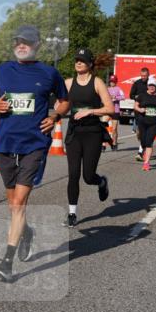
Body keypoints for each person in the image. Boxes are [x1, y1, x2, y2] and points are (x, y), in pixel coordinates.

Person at [0, 25, 69, 283]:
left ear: (37, 45)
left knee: (19, 203)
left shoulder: (49, 73)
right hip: (6, 144)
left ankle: (6, 263)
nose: (21, 45)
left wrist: (55, 116)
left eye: (26, 42)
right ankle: (27, 233)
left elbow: (64, 101)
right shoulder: (3, 70)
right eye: (17, 42)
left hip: (35, 143)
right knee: (13, 206)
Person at [63, 50, 114, 226]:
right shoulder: (68, 83)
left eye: (82, 60)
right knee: (73, 174)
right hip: (74, 133)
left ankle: (101, 182)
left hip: (93, 133)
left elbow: (110, 108)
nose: (78, 63)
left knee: (88, 176)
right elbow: (61, 104)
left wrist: (90, 111)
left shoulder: (97, 82)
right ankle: (72, 213)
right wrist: (58, 106)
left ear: (89, 64)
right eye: (76, 60)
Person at [134, 75, 156, 171]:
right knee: (143, 140)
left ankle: (146, 163)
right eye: (150, 85)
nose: (151, 87)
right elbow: (135, 106)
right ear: (147, 86)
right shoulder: (142, 95)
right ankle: (143, 149)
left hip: (154, 122)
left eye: (153, 86)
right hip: (142, 121)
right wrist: (140, 109)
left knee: (149, 142)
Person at [128, 67, 152, 159]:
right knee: (139, 133)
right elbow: (131, 95)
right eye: (142, 76)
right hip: (138, 110)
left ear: (148, 75)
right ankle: (143, 145)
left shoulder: (152, 83)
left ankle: (141, 152)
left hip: (149, 111)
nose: (143, 77)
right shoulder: (137, 83)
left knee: (145, 132)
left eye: (145, 76)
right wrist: (137, 97)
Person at [105, 75, 125, 150]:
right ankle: (103, 144)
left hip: (116, 111)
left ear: (116, 82)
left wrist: (115, 98)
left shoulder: (118, 89)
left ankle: (114, 143)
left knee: (114, 129)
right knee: (104, 127)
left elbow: (123, 97)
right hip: (107, 110)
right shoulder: (107, 89)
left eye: (113, 81)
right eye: (111, 81)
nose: (112, 83)